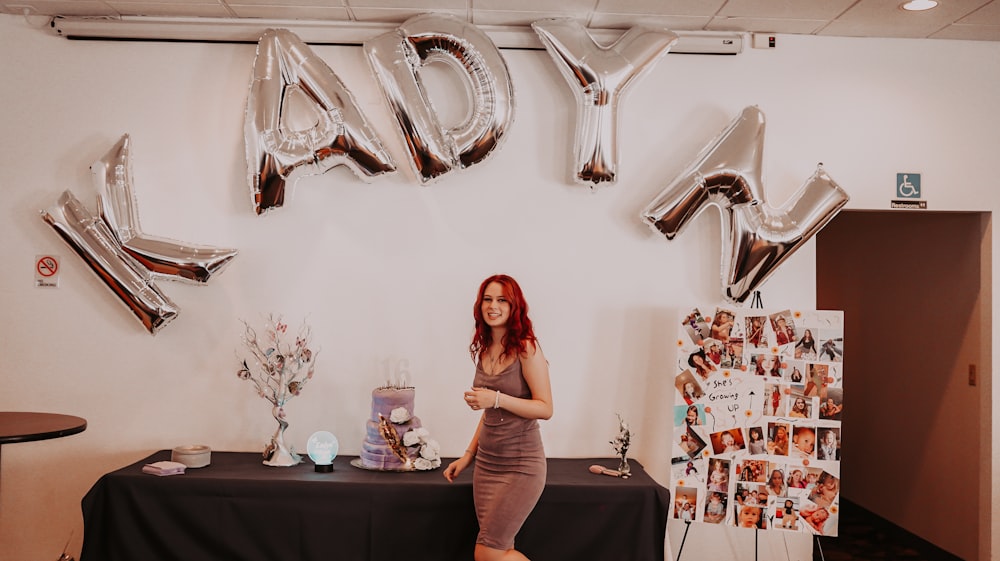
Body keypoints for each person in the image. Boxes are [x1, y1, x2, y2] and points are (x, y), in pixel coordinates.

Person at [444, 275, 553, 561]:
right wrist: (468, 456)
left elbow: (545, 408)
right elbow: (491, 414)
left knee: (487, 552)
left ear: (514, 306)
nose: (493, 306)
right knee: (500, 549)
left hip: (521, 465)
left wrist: (495, 398)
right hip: (487, 466)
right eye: (488, 299)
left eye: (502, 300)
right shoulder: (484, 350)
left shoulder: (527, 347)